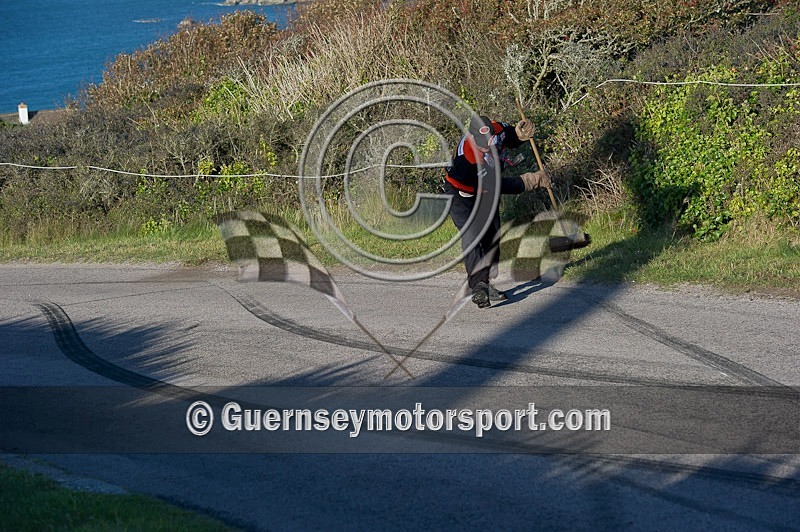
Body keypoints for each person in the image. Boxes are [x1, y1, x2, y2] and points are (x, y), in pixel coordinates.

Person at [444, 115, 549, 308]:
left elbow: (508, 137)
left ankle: (484, 282)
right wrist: (532, 181)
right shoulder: (467, 160)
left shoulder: (497, 129)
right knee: (473, 235)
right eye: (481, 142)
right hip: (461, 196)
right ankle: (478, 286)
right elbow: (497, 185)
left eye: (489, 140)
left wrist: (519, 134)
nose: (486, 145)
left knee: (492, 236)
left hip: (485, 194)